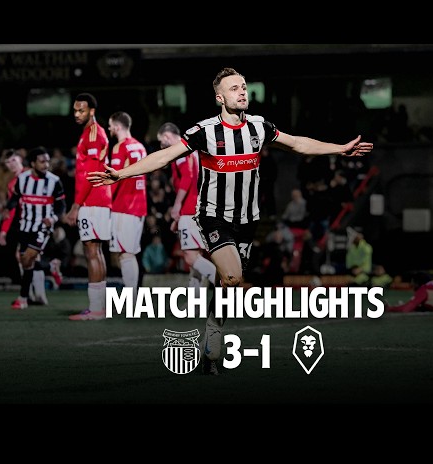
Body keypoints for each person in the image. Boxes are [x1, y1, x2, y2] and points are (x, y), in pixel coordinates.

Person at [86, 67, 373, 374]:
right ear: (220, 98)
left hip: (247, 220)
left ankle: (211, 339)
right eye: (234, 88)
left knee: (229, 286)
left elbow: (298, 144)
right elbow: (163, 157)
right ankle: (213, 333)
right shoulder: (204, 131)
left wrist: (340, 148)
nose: (242, 92)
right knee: (233, 277)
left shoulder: (260, 127)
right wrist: (122, 174)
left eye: (244, 87)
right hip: (213, 217)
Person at [65, 92, 113, 321]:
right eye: (75, 110)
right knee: (96, 251)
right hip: (99, 199)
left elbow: (92, 173)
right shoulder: (92, 132)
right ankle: (99, 307)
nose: (77, 114)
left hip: (92, 200)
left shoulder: (93, 134)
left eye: (81, 110)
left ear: (91, 111)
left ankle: (95, 309)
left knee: (91, 252)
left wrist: (76, 206)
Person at [156, 122, 217, 298]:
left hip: (190, 209)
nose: (161, 145)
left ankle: (226, 285)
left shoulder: (179, 150)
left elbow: (187, 177)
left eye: (161, 141)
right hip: (199, 208)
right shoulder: (192, 148)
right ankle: (195, 304)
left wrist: (177, 206)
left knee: (190, 257)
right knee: (196, 258)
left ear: (167, 136)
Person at [0, 148, 60, 304]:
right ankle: (36, 295)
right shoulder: (14, 183)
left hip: (41, 223)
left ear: (21, 159)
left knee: (27, 256)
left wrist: (52, 217)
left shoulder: (34, 174)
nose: (11, 164)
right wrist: (3, 230)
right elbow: (11, 210)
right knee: (26, 257)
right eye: (7, 162)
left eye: (13, 160)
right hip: (25, 224)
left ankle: (33, 294)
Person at [108, 111, 148, 298]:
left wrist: (106, 201)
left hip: (124, 206)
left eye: (110, 125)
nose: (109, 129)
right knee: (129, 253)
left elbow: (114, 179)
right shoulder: (140, 146)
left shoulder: (120, 147)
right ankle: (133, 297)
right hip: (139, 205)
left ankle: (131, 299)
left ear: (117, 126)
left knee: (125, 255)